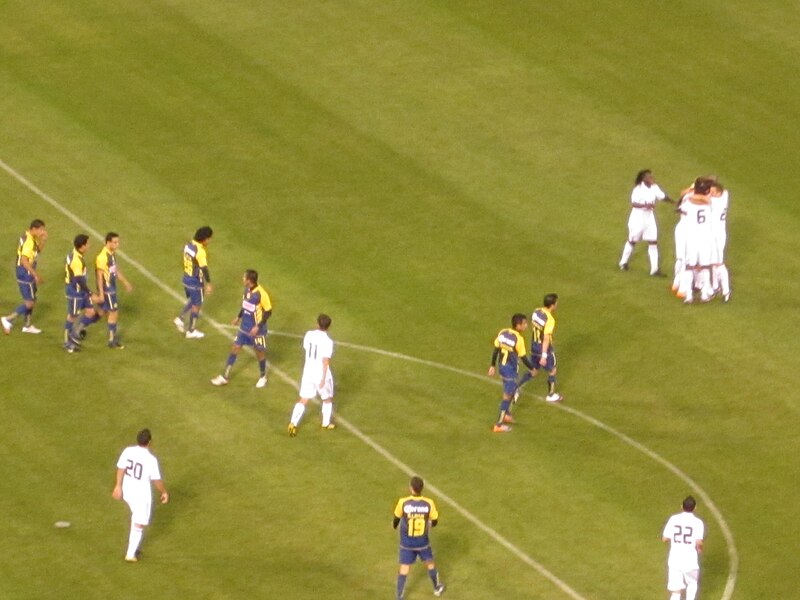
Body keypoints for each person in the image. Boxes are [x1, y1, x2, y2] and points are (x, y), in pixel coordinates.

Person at [112, 428, 169, 563]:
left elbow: (121, 468)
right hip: (141, 495)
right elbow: (156, 480)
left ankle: (133, 546)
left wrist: (118, 486)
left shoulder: (128, 451)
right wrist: (164, 492)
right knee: (139, 523)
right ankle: (130, 554)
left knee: (136, 517)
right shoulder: (150, 459)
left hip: (127, 490)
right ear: (149, 442)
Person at [211, 269, 272, 388]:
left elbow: (268, 311)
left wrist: (258, 326)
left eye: (244, 277)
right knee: (235, 348)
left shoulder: (261, 293)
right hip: (244, 327)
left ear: (249, 280)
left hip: (257, 330)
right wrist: (238, 317)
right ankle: (225, 376)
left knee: (259, 353)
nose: (242, 279)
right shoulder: (246, 290)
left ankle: (263, 376)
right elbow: (246, 306)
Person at [393, 476, 446, 599]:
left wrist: (394, 526)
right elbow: (435, 521)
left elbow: (396, 520)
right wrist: (429, 524)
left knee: (404, 568)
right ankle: (437, 588)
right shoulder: (428, 503)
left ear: (411, 488)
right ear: (422, 489)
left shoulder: (403, 502)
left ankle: (399, 597)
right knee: (430, 563)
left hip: (407, 543)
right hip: (422, 542)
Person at [288, 313, 335, 437]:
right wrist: (324, 378)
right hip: (320, 372)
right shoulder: (328, 341)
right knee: (327, 398)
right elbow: (325, 361)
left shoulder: (309, 334)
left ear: (317, 324)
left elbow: (306, 348)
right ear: (328, 327)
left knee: (304, 398)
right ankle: (326, 423)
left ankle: (293, 423)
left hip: (308, 371)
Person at [487, 313, 536, 433]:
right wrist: (532, 369)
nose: (526, 325)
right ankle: (498, 424)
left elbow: (496, 349)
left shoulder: (503, 332)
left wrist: (492, 365)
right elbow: (523, 357)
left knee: (511, 391)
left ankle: (507, 415)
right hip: (509, 370)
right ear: (518, 325)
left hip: (502, 367)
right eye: (524, 323)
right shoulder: (519, 339)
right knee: (508, 396)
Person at [618, 170, 672, 275]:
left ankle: (654, 269)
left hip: (649, 219)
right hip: (637, 219)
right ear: (643, 179)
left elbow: (662, 196)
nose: (652, 178)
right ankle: (623, 262)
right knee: (632, 240)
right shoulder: (638, 189)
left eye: (652, 176)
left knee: (653, 242)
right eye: (649, 177)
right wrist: (645, 206)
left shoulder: (654, 187)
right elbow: (634, 203)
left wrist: (674, 202)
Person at [515, 294, 563, 403]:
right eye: (556, 303)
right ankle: (551, 394)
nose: (557, 304)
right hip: (543, 347)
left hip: (534, 345)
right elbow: (546, 337)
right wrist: (544, 355)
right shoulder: (550, 319)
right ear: (552, 305)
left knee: (534, 370)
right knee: (552, 369)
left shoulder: (536, 311)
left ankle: (515, 388)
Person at [2, 219, 48, 334]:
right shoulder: (29, 241)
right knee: (29, 302)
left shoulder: (30, 237)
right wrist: (35, 274)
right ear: (34, 229)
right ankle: (8, 319)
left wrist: (43, 241)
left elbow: (37, 251)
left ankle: (27, 325)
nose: (42, 232)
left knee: (32, 298)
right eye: (41, 229)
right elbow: (24, 261)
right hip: (25, 272)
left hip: (25, 271)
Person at [678, 179, 714, 303]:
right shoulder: (710, 202)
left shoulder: (688, 201)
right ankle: (704, 294)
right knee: (704, 266)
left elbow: (681, 203)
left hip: (692, 237)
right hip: (705, 237)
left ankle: (688, 295)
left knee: (689, 266)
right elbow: (706, 199)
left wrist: (692, 193)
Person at [662, 495, 705, 600]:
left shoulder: (673, 519)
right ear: (695, 508)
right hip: (690, 561)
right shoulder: (698, 523)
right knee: (692, 584)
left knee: (675, 591)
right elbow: (699, 542)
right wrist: (699, 548)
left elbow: (664, 539)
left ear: (681, 506)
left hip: (674, 560)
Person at [63, 234, 101, 353]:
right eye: (87, 244)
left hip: (81, 290)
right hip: (75, 290)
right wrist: (90, 293)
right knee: (72, 315)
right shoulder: (76, 260)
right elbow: (78, 279)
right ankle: (66, 342)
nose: (89, 245)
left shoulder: (76, 254)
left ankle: (74, 335)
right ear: (82, 246)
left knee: (90, 312)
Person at [174, 226, 214, 338]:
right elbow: (204, 268)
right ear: (205, 239)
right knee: (197, 304)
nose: (209, 241)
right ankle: (191, 331)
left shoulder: (189, 245)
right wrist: (209, 284)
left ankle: (180, 319)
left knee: (193, 300)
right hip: (195, 281)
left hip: (186, 278)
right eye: (209, 239)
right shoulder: (200, 251)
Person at [95, 232, 133, 348]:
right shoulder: (102, 257)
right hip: (107, 288)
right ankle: (112, 340)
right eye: (115, 242)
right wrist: (101, 293)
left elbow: (114, 271)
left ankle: (80, 327)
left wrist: (125, 282)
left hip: (111, 286)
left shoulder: (111, 253)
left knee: (102, 312)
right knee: (113, 312)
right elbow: (99, 276)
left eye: (118, 242)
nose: (117, 244)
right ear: (108, 242)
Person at [709, 182, 731, 302]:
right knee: (712, 262)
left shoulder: (715, 202)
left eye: (713, 192)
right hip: (715, 235)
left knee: (718, 264)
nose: (710, 194)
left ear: (718, 192)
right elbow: (723, 189)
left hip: (717, 236)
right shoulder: (725, 195)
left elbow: (703, 199)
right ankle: (715, 287)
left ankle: (726, 291)